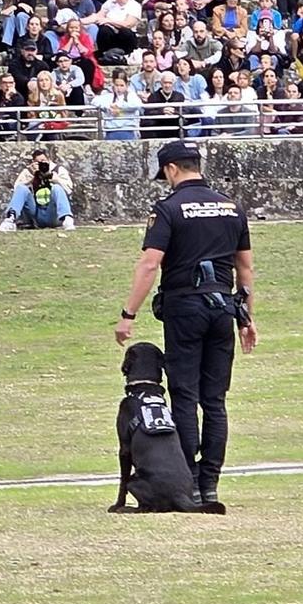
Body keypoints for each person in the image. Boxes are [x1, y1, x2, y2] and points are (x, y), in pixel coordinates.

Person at [113, 140, 256, 508]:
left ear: (172, 169)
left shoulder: (168, 209)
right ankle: (210, 484)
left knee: (185, 396)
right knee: (215, 401)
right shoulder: (231, 207)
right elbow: (245, 269)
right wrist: (247, 318)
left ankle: (188, 481)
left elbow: (149, 264)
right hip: (224, 308)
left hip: (185, 308)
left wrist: (128, 315)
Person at [0, 147, 76, 231]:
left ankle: (67, 220)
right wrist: (31, 178)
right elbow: (17, 190)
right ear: (33, 162)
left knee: (57, 188)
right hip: (35, 213)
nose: (42, 164)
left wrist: (55, 179)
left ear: (48, 160)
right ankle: (10, 220)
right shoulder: (28, 171)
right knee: (22, 188)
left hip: (53, 213)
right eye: (38, 162)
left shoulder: (58, 170)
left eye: (43, 161)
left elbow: (69, 189)